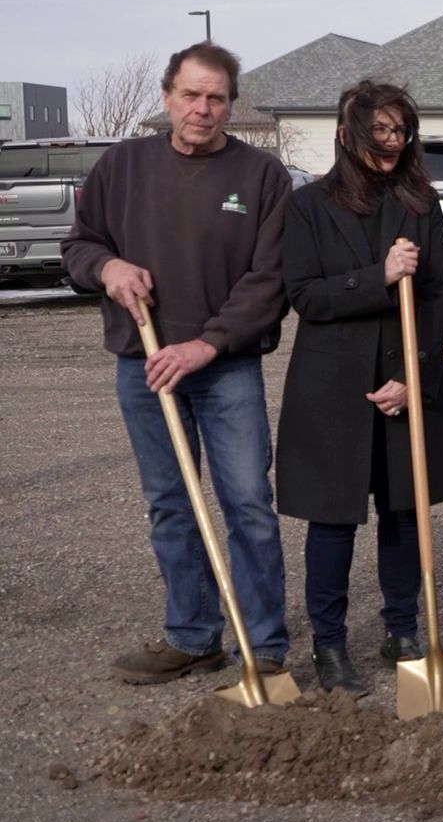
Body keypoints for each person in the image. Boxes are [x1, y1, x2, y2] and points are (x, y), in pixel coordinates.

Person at [62, 42, 293, 682]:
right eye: (190, 95)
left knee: (246, 501)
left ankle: (264, 645)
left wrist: (207, 344)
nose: (203, 109)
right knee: (171, 503)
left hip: (225, 369)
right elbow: (81, 244)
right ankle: (193, 636)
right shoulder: (123, 165)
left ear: (230, 104)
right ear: (166, 97)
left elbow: (268, 281)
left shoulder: (261, 176)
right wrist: (107, 267)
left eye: (216, 97)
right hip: (145, 366)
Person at [276, 81, 443, 694]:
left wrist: (414, 376)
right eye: (379, 130)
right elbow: (304, 296)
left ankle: (401, 629)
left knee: (405, 511)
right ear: (346, 133)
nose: (391, 141)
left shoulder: (420, 203)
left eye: (399, 130)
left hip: (404, 373)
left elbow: (438, 293)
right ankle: (329, 647)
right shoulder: (307, 206)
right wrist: (377, 276)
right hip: (333, 387)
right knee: (332, 520)